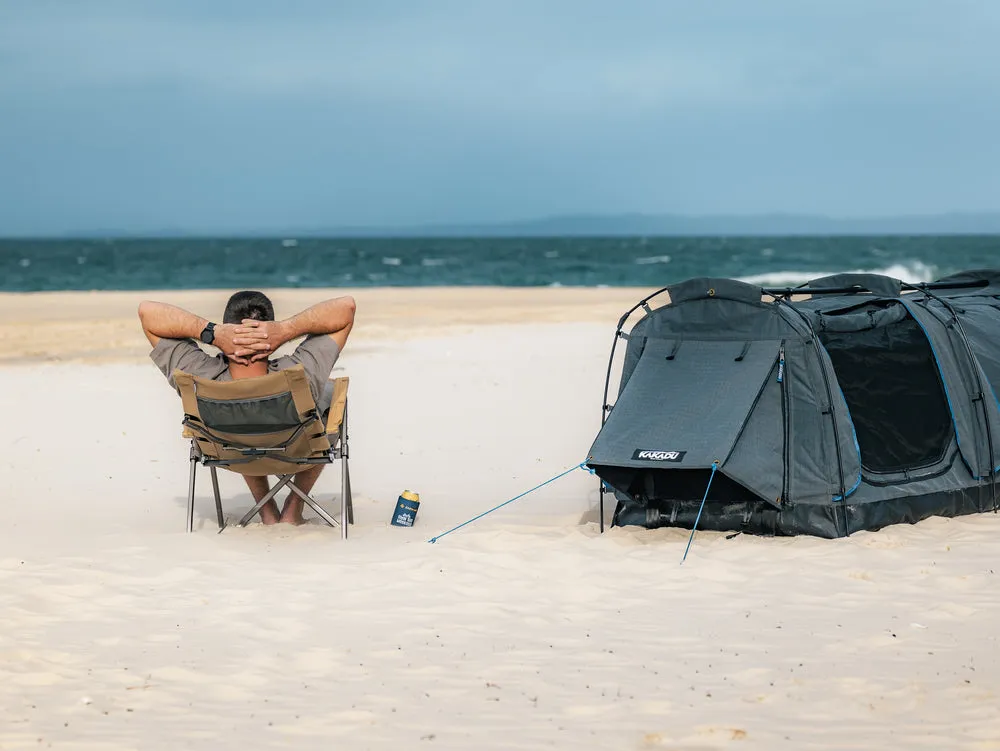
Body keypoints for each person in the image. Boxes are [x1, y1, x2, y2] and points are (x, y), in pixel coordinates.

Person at [139, 291, 356, 525]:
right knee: (332, 399)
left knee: (241, 420)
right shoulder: (301, 373)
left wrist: (212, 332)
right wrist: (285, 330)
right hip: (299, 452)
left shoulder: (198, 374)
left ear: (226, 330)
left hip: (229, 454)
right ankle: (293, 508)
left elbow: (147, 312)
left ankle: (267, 511)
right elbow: (346, 308)